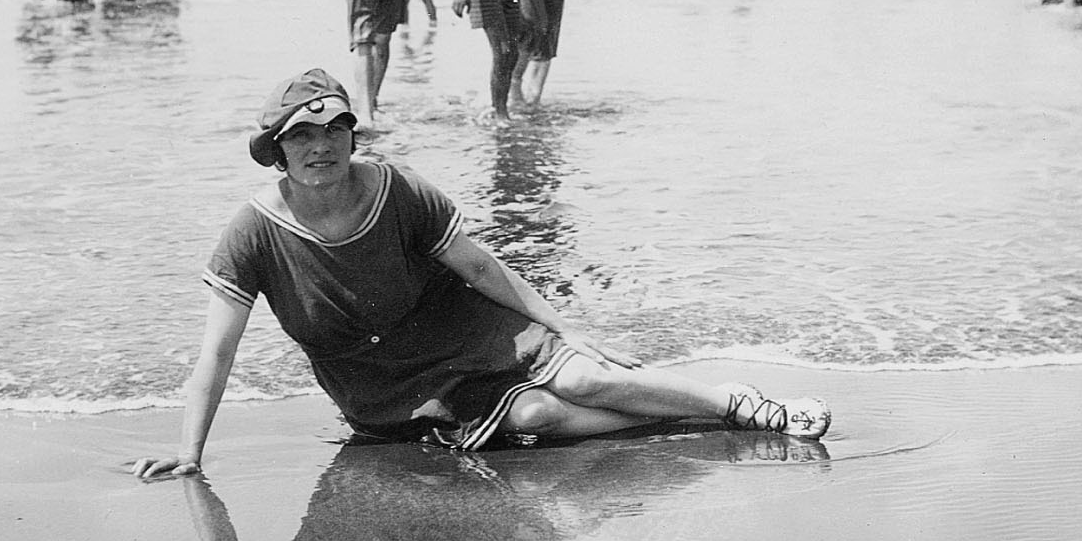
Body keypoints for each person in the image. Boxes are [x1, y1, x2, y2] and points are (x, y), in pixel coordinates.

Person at [129, 69, 831, 480]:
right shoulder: (254, 230)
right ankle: (688, 417)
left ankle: (732, 403)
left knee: (582, 375)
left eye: (334, 129)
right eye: (302, 136)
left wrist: (563, 326)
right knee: (536, 414)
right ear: (277, 150)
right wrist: (189, 453)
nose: (321, 146)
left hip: (464, 327)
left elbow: (481, 266)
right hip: (382, 388)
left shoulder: (394, 189)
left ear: (352, 134)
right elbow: (214, 356)